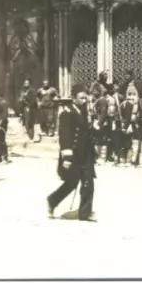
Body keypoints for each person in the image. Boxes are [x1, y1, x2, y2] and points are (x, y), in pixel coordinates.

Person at [47, 85, 97, 222]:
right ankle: (52, 201)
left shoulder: (85, 112)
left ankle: (85, 213)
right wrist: (67, 157)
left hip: (85, 153)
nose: (85, 100)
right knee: (71, 183)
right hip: (73, 154)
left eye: (85, 98)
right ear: (74, 99)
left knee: (88, 182)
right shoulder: (66, 114)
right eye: (81, 98)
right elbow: (65, 136)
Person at [118, 85, 138, 166]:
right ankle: (127, 160)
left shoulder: (124, 104)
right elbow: (127, 116)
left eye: (133, 94)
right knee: (127, 142)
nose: (131, 96)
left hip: (127, 124)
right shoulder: (126, 104)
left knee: (127, 142)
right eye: (129, 94)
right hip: (128, 124)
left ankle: (126, 159)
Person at [18, 79, 39, 143]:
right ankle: (28, 136)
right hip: (24, 109)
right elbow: (20, 101)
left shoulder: (32, 91)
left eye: (27, 83)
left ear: (29, 84)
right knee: (25, 123)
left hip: (30, 109)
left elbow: (33, 101)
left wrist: (29, 107)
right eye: (25, 83)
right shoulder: (23, 91)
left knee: (30, 123)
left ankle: (31, 137)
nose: (26, 84)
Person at [0, 92, 10, 163]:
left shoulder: (4, 103)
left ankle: (4, 157)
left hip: (1, 124)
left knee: (1, 140)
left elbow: (4, 115)